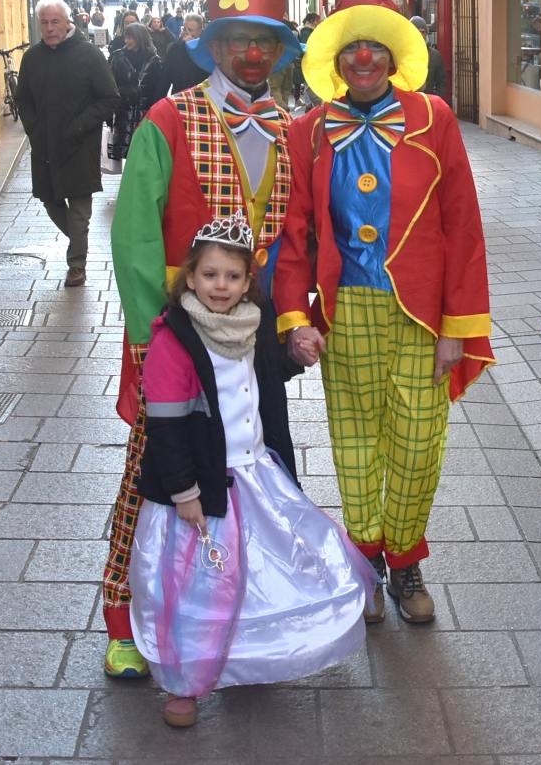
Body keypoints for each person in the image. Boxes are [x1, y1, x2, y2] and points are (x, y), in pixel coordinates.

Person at [102, 0, 303, 678]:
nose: (251, 54)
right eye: (237, 39)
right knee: (150, 471)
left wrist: (289, 326)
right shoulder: (168, 118)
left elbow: (296, 238)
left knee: (257, 469)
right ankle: (124, 619)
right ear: (213, 46)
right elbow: (133, 236)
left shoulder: (289, 129)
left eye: (264, 41)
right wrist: (144, 337)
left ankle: (249, 611)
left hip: (252, 337)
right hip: (177, 332)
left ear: (280, 52)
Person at [273, 0, 495, 623]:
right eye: (352, 48)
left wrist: (460, 324)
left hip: (422, 313)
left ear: (394, 55)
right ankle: (368, 560)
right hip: (347, 312)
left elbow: (463, 227)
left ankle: (406, 558)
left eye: (375, 47)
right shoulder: (308, 130)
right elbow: (294, 232)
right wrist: (294, 316)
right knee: (355, 442)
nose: (364, 58)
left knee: (420, 442)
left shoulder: (435, 118)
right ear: (337, 60)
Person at [129, 213, 377, 727]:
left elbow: (266, 373)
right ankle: (184, 685)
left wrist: (295, 356)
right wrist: (184, 493)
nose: (222, 287)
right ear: (190, 278)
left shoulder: (251, 323)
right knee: (200, 589)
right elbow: (168, 431)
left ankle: (248, 659)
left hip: (254, 475)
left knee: (263, 573)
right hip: (200, 488)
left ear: (248, 282)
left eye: (233, 277)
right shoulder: (173, 340)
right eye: (210, 275)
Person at [15, 0, 119, 288]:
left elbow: (110, 98)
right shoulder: (32, 57)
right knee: (50, 201)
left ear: (67, 21)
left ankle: (77, 265)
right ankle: (79, 242)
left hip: (80, 146)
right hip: (45, 146)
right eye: (45, 23)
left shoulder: (89, 54)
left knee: (79, 210)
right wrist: (33, 128)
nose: (50, 28)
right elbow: (22, 98)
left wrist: (80, 125)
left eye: (55, 22)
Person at [108, 22, 162, 159]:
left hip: (146, 114)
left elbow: (158, 88)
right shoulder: (118, 58)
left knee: (145, 155)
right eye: (126, 37)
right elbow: (110, 86)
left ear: (139, 38)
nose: (126, 41)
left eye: (130, 38)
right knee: (125, 156)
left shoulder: (154, 60)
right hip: (123, 114)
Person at [152, 13, 208, 102]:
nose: (186, 33)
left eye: (190, 30)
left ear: (200, 32)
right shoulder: (175, 48)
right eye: (184, 29)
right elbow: (165, 79)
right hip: (179, 99)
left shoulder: (206, 50)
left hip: (201, 100)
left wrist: (191, 46)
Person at [409, 16, 448, 99]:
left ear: (426, 33)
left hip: (428, 103)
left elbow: (442, 82)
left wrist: (435, 99)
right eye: (416, 32)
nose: (420, 35)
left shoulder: (435, 55)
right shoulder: (402, 55)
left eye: (422, 32)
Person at [293, 12, 319, 106]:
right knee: (309, 82)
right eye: (316, 20)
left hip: (310, 59)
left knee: (309, 82)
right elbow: (305, 46)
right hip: (309, 60)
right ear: (311, 20)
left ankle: (309, 103)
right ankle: (309, 104)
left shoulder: (307, 30)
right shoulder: (306, 31)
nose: (317, 23)